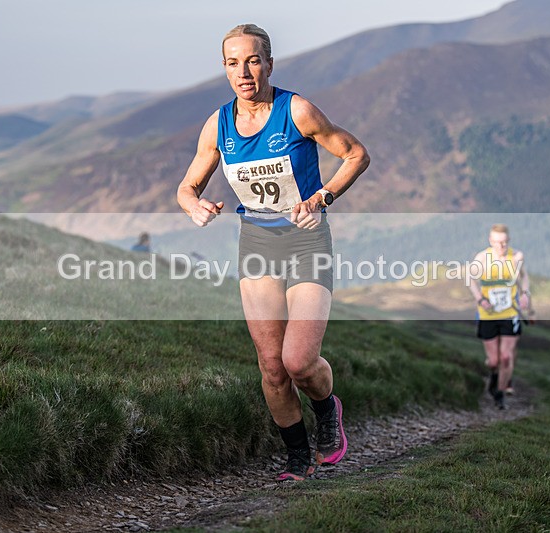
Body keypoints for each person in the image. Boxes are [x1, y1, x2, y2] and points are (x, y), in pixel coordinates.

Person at [177, 23, 370, 481]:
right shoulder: (218, 124)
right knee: (272, 366)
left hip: (306, 240)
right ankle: (297, 457)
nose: (243, 72)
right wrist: (194, 205)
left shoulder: (296, 110)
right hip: (258, 243)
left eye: (252, 61)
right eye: (233, 63)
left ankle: (327, 408)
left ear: (268, 63)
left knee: (298, 361)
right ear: (225, 69)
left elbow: (356, 154)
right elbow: (187, 187)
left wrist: (321, 197)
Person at [468, 224, 530, 410]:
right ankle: (494, 376)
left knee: (506, 357)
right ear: (490, 241)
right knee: (493, 360)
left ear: (508, 240)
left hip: (510, 313)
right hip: (488, 315)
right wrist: (480, 299)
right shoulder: (482, 258)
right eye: (496, 242)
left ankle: (500, 394)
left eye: (503, 242)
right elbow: (470, 280)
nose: (500, 246)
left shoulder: (516, 256)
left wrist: (525, 293)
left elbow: (524, 277)